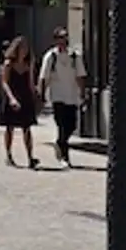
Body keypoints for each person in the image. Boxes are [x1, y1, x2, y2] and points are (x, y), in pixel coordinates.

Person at [38, 27, 86, 168]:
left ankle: (60, 143)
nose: (63, 40)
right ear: (56, 40)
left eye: (65, 37)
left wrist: (82, 93)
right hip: (57, 96)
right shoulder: (50, 57)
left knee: (72, 125)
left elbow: (80, 75)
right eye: (60, 37)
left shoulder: (74, 56)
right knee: (62, 125)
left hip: (72, 95)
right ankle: (65, 156)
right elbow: (44, 77)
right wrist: (41, 95)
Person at [0, 36, 40, 169]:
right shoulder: (9, 63)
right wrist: (11, 98)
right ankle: (9, 155)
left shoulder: (29, 63)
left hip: (25, 96)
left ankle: (30, 157)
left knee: (27, 127)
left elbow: (31, 82)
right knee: (10, 127)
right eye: (22, 47)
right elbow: (4, 82)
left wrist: (36, 95)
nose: (25, 50)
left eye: (26, 47)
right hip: (12, 95)